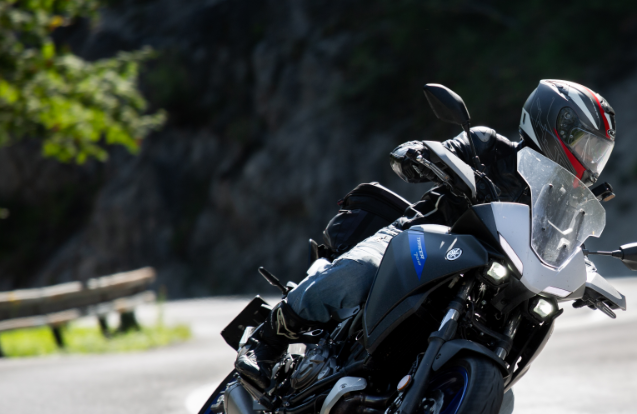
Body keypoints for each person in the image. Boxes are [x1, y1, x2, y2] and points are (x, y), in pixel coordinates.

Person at [235, 79, 617, 390]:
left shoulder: (564, 200)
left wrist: (589, 277)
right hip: (421, 241)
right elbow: (443, 152)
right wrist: (424, 154)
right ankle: (265, 339)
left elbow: (567, 244)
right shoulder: (489, 147)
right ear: (553, 123)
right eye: (585, 144)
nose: (589, 159)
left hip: (488, 278)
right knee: (358, 270)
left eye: (597, 152)